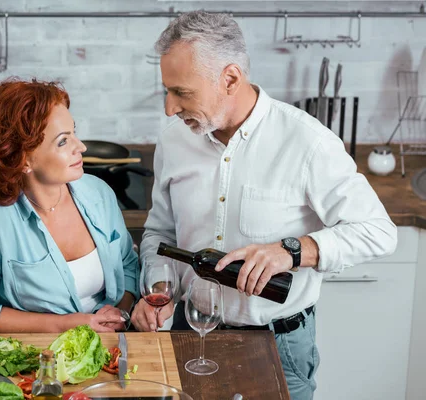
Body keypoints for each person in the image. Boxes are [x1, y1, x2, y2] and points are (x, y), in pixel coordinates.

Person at [130, 11, 397, 399]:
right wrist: (160, 286)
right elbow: (160, 234)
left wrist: (292, 251)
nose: (170, 108)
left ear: (231, 79)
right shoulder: (173, 142)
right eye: (166, 92)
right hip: (189, 333)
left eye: (182, 93)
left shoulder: (307, 142)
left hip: (279, 344)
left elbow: (378, 232)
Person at [0, 78, 139, 334]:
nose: (80, 147)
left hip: (112, 349)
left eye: (74, 133)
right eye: (62, 141)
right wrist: (65, 325)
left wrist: (120, 312)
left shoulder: (98, 193)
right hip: (37, 363)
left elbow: (127, 264)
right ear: (22, 160)